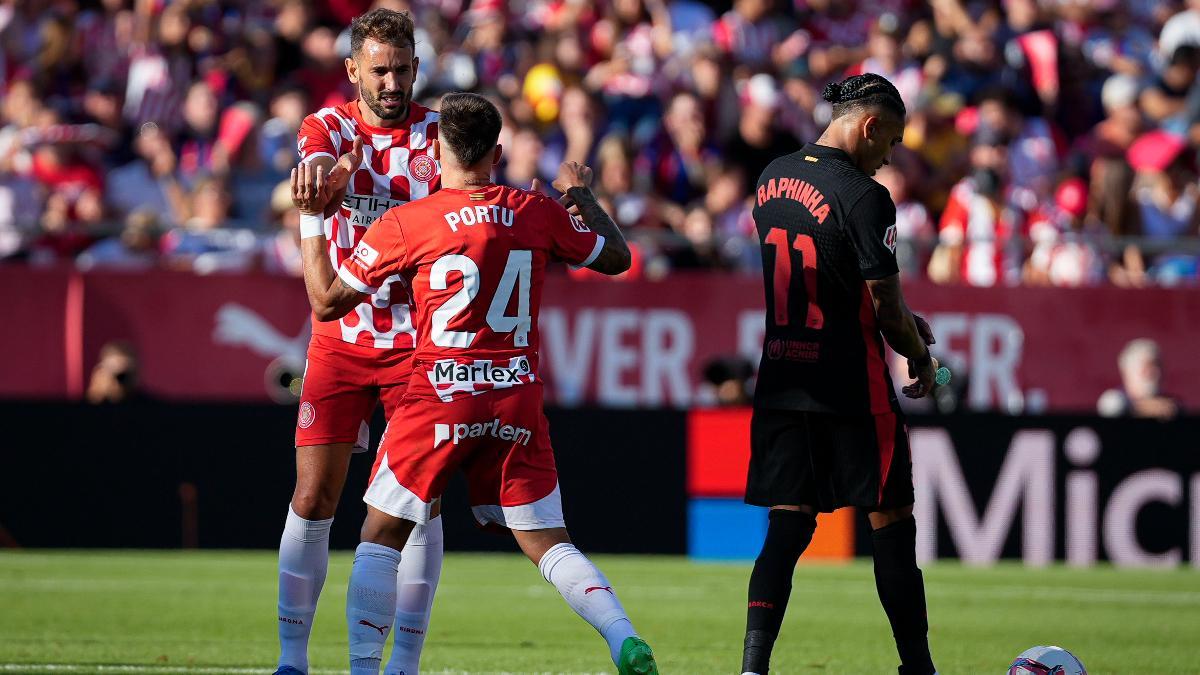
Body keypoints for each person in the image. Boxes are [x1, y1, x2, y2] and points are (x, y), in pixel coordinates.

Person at [292, 92, 658, 675]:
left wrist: (312, 219)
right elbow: (616, 256)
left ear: (437, 152)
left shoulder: (409, 221)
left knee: (381, 534)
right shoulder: (536, 211)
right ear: (499, 151)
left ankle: (365, 667)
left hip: (440, 392)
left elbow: (326, 301)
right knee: (547, 540)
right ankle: (623, 637)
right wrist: (583, 197)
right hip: (515, 395)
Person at [740, 73, 938, 675]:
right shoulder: (865, 196)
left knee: (787, 526)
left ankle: (752, 668)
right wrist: (921, 355)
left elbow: (830, 276)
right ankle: (917, 668)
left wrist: (900, 311)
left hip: (781, 377)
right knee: (891, 523)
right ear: (871, 124)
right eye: (892, 141)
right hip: (852, 386)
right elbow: (880, 306)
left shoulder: (772, 175)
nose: (889, 156)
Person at [275, 9, 444, 675]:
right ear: (353, 71)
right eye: (379, 70)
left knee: (419, 507)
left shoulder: (439, 134)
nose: (392, 81)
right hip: (342, 337)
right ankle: (292, 658)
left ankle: (401, 663)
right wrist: (322, 177)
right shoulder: (329, 127)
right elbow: (313, 162)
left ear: (416, 68)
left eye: (402, 69)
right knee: (314, 496)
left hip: (419, 343)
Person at [1097, 338, 1178, 420]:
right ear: (1130, 370)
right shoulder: (1113, 399)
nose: (1156, 373)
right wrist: (1142, 409)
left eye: (1159, 366)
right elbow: (1111, 410)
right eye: (1148, 367)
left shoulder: (1171, 404)